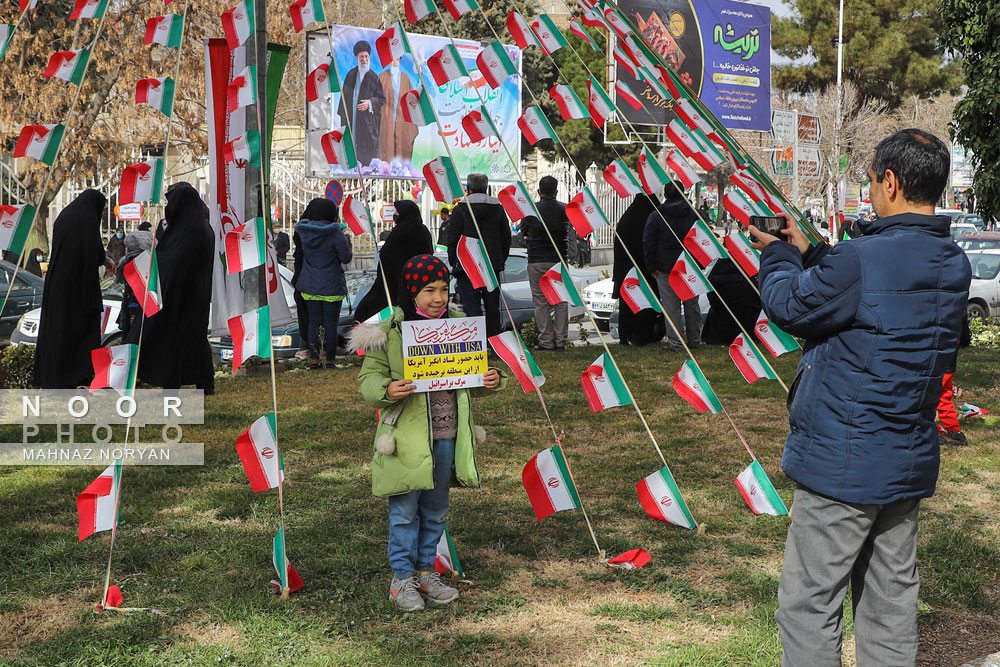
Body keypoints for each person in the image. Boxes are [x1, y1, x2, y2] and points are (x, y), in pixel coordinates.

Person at [750, 129, 971, 667]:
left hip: (843, 463)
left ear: (890, 182)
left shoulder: (860, 261)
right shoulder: (953, 262)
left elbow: (789, 306)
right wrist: (816, 254)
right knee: (890, 604)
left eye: (871, 179)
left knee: (808, 605)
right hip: (906, 458)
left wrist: (779, 256)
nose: (870, 189)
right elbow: (880, 296)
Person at [351, 254, 505, 612]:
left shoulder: (460, 326)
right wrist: (387, 389)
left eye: (443, 289)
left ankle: (425, 572)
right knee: (405, 510)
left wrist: (492, 379)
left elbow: (473, 372)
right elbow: (368, 380)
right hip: (406, 439)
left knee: (436, 509)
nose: (438, 298)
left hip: (449, 435)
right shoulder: (389, 333)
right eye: (428, 291)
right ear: (411, 291)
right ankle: (401, 579)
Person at [129, 182, 216, 394]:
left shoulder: (191, 230)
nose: (169, 208)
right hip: (192, 295)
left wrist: (154, 260)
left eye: (172, 202)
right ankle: (192, 384)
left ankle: (182, 384)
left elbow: (176, 260)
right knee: (192, 340)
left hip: (185, 296)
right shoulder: (198, 226)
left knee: (184, 339)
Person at [33, 190, 112, 388]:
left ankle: (54, 378)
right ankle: (79, 377)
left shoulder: (66, 215)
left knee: (58, 331)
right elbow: (92, 250)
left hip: (58, 285)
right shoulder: (87, 219)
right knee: (81, 334)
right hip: (79, 288)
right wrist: (105, 260)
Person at [447, 173, 510, 338]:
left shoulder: (460, 209)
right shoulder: (497, 208)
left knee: (471, 307)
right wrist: (499, 261)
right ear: (487, 188)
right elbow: (505, 237)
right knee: (492, 307)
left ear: (467, 189)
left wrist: (455, 262)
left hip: (467, 266)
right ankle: (494, 342)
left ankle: (476, 343)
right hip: (491, 266)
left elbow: (452, 238)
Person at [294, 198, 353, 369]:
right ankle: (331, 361)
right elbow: (346, 257)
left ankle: (314, 361)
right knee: (330, 324)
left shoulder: (303, 232)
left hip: (309, 283)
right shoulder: (335, 233)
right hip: (332, 284)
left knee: (314, 322)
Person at [354, 200, 433, 324]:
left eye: (397, 211)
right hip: (416, 285)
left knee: (367, 312)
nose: (395, 214)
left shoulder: (400, 232)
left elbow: (386, 256)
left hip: (394, 286)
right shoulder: (423, 231)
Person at [644, 181, 701, 351]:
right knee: (692, 304)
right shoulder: (693, 214)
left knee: (671, 306)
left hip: (665, 266)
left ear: (666, 195)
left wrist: (651, 266)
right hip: (689, 264)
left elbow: (648, 242)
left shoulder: (657, 215)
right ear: (683, 192)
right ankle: (694, 339)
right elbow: (702, 238)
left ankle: (676, 343)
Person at [521, 176, 570, 350]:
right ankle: (561, 341)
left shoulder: (531, 210)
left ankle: (546, 342)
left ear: (539, 191)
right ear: (556, 192)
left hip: (536, 260)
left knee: (541, 302)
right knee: (560, 301)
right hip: (558, 261)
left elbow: (523, 233)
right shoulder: (565, 209)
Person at [613, 193, 664, 346]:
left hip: (626, 271)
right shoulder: (652, 220)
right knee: (647, 304)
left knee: (627, 305)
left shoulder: (625, 220)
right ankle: (643, 335)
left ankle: (624, 336)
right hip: (647, 271)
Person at [338, 41, 386, 167]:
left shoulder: (374, 77)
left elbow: (381, 99)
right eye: (361, 57)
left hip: (367, 123)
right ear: (357, 58)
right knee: (351, 149)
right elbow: (344, 97)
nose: (364, 59)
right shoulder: (350, 75)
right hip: (351, 120)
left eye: (366, 56)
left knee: (367, 158)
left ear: (369, 57)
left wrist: (369, 103)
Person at [937, 312, 971, 446]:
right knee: (943, 396)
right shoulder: (957, 304)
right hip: (949, 360)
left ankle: (924, 430)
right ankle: (954, 431)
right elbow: (965, 339)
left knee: (925, 397)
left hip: (936, 357)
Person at [114, 228, 154, 340]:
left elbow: (134, 292)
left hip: (136, 313)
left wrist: (132, 315)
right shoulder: (153, 260)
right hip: (143, 313)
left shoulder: (132, 261)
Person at [378, 57, 418, 163]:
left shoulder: (405, 78)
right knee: (387, 147)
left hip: (402, 121)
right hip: (386, 121)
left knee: (403, 146)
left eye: (397, 59)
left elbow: (411, 101)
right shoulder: (382, 77)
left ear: (400, 61)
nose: (395, 62)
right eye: (392, 59)